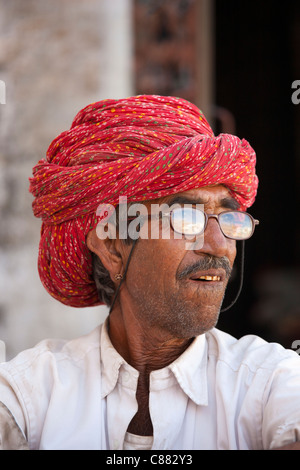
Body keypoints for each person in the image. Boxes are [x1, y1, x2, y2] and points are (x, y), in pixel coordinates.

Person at [0, 95, 299, 450]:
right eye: (187, 218)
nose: (219, 245)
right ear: (112, 247)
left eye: (229, 217)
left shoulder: (270, 383)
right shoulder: (29, 397)